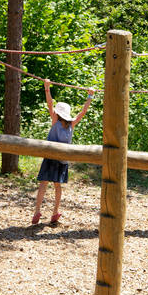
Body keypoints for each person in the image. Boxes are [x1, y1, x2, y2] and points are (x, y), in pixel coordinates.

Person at [32, 79, 95, 225]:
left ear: (58, 113)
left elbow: (49, 104)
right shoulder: (71, 124)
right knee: (57, 186)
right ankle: (54, 212)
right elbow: (83, 112)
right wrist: (89, 96)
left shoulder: (55, 119)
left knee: (43, 184)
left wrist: (47, 88)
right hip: (62, 160)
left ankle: (37, 211)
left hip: (51, 157)